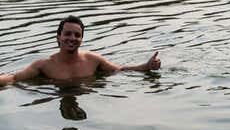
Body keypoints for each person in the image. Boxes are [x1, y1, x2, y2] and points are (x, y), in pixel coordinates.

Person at [0, 15, 160, 86]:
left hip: (86, 95)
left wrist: (146, 67)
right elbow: (14, 78)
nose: (72, 38)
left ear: (81, 39)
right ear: (58, 37)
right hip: (58, 96)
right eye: (67, 33)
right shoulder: (44, 65)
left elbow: (120, 70)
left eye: (77, 35)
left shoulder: (93, 60)